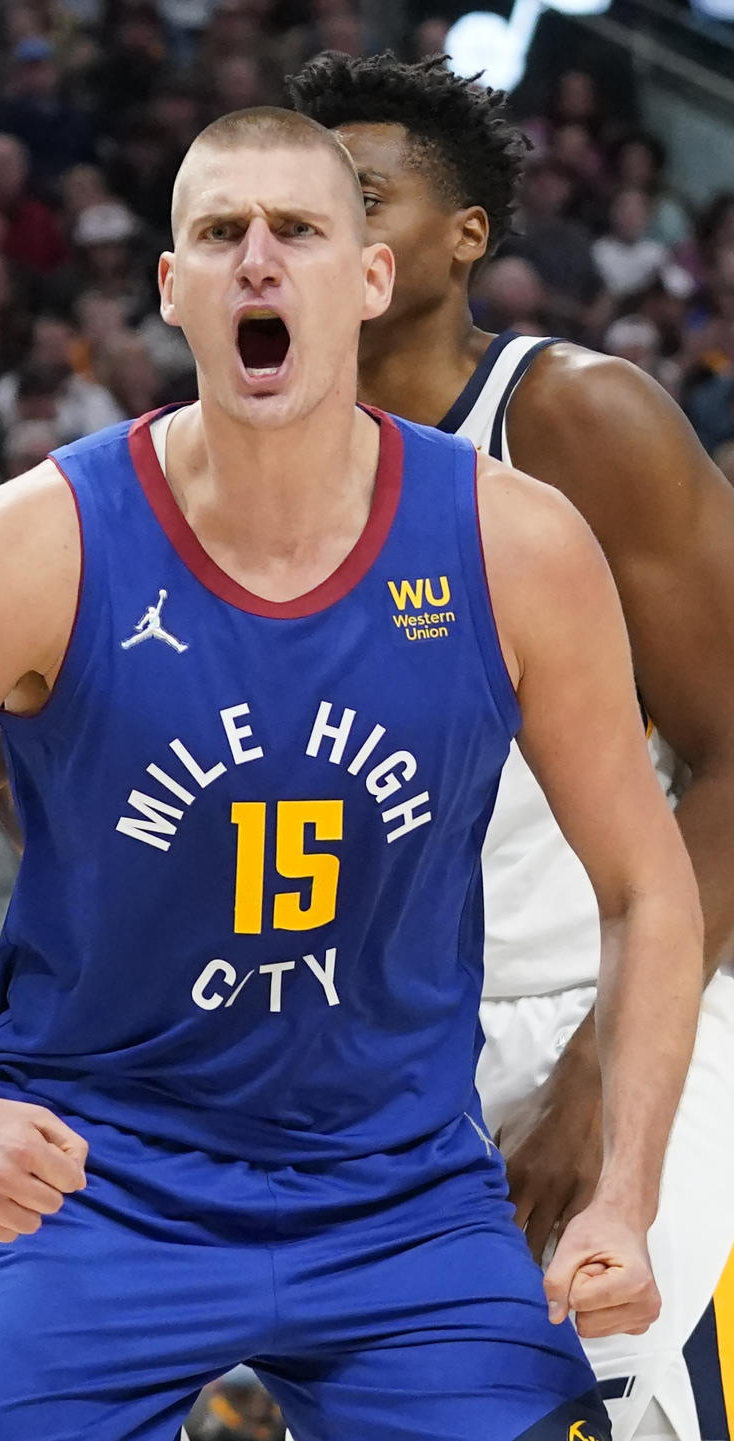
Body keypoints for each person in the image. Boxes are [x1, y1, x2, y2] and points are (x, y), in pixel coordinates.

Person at [0, 106, 704, 1441]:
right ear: (173, 287)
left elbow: (647, 884)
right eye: (220, 233)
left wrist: (624, 1190)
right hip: (100, 1184)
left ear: (370, 277)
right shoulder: (37, 538)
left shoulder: (518, 544)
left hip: (401, 1191)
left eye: (301, 231)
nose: (259, 261)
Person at [287, 49, 734, 1441]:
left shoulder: (569, 415)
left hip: (595, 1016)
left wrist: (610, 1066)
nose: (322, 236)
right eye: (296, 212)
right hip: (364, 1071)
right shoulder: (239, 466)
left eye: (364, 197)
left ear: (466, 232)